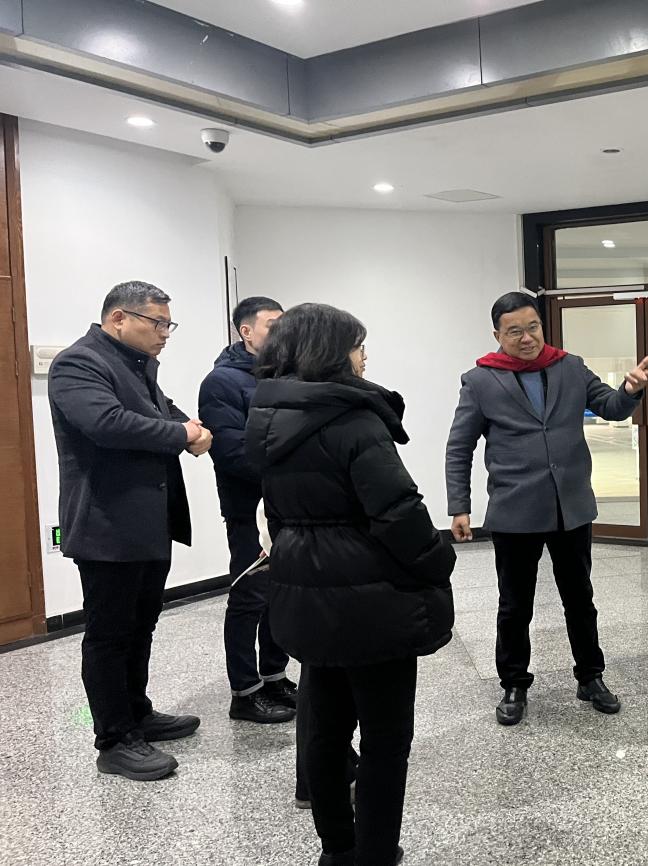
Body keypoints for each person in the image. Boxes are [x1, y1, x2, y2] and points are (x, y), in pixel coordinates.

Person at [246, 303, 455, 866]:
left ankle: (337, 850)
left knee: (325, 731)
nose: (364, 357)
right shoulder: (353, 419)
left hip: (304, 590)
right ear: (331, 351)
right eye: (358, 346)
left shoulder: (268, 417)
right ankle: (376, 854)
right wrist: (439, 560)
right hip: (371, 600)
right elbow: (397, 512)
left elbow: (277, 513)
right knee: (386, 740)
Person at [445, 291, 648, 726]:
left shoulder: (570, 367)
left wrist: (630, 389)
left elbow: (610, 407)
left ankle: (590, 676)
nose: (527, 338)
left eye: (533, 327)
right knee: (515, 605)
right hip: (515, 510)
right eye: (515, 331)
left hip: (570, 507)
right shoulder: (480, 380)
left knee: (580, 598)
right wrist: (459, 506)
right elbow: (459, 447)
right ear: (497, 335)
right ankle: (514, 683)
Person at [48, 281, 210, 782]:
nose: (165, 333)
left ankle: (137, 712)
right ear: (119, 318)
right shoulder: (79, 363)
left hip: (147, 523)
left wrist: (191, 427)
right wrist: (181, 434)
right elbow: (108, 423)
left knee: (141, 625)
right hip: (106, 525)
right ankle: (114, 740)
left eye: (168, 323)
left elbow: (162, 411)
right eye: (157, 323)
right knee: (109, 634)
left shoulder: (137, 365)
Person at [198, 296, 297, 724]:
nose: (281, 332)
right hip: (248, 509)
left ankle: (274, 676)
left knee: (281, 594)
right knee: (249, 597)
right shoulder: (221, 382)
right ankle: (245, 691)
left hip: (286, 506)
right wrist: (291, 466)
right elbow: (231, 452)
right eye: (272, 325)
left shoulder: (284, 374)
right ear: (246, 331)